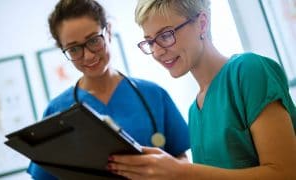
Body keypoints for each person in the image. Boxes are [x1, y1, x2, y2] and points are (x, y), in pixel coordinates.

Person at [107, 0, 296, 179]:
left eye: (165, 35)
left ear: (202, 24)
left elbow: (285, 173)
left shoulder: (248, 71)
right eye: (150, 42)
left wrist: (182, 173)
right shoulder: (195, 110)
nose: (157, 52)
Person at [27, 0, 190, 179]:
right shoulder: (57, 111)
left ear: (109, 32)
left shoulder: (153, 95)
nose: (88, 55)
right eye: (74, 49)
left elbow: (181, 161)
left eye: (94, 40)